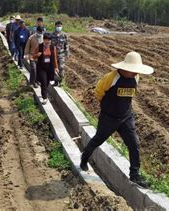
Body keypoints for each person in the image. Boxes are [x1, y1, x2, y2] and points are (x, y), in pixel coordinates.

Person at [80, 51, 154, 188]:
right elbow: (98, 92)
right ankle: (84, 159)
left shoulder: (136, 78)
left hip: (126, 117)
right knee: (98, 140)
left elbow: (132, 94)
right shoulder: (111, 77)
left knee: (134, 144)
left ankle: (135, 175)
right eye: (132, 70)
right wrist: (108, 107)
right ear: (124, 68)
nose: (135, 73)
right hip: (109, 117)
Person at [33, 33, 58, 105]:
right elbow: (33, 56)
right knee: (43, 82)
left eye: (49, 40)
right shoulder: (39, 47)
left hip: (50, 67)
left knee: (47, 82)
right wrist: (37, 55)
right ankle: (45, 97)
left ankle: (44, 92)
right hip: (41, 67)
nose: (47, 42)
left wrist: (56, 67)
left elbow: (55, 58)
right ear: (43, 39)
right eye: (46, 40)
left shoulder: (53, 47)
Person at [51, 21, 69, 86]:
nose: (59, 27)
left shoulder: (64, 35)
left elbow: (66, 45)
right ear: (55, 26)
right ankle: (56, 81)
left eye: (60, 26)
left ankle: (61, 81)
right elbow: (50, 45)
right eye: (57, 26)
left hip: (61, 54)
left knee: (61, 67)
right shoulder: (52, 35)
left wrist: (67, 53)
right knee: (55, 67)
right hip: (54, 54)